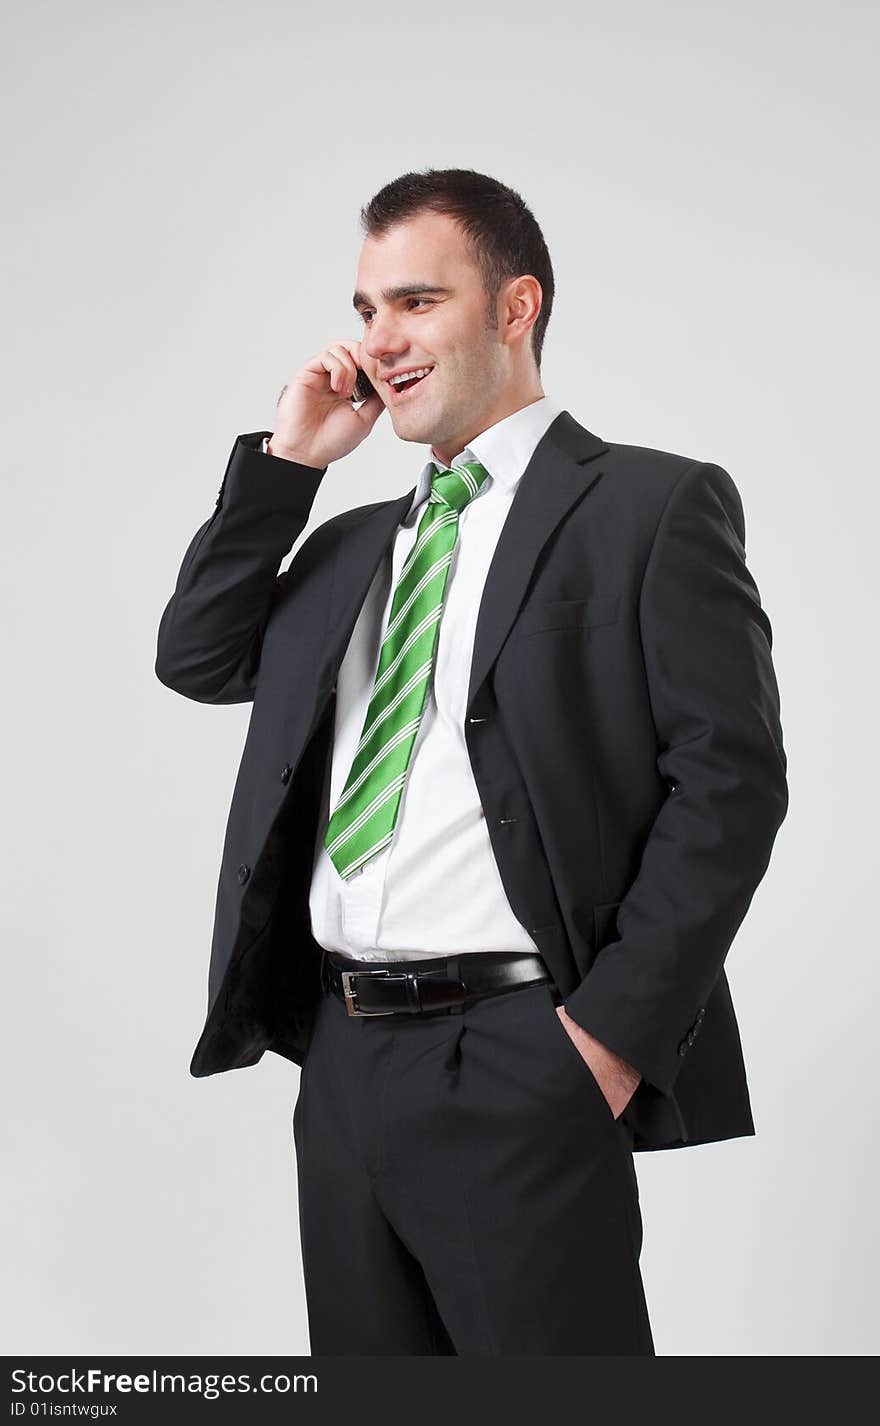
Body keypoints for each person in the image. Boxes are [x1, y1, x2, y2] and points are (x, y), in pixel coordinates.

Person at [155, 167, 788, 1356]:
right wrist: (291, 465)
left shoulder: (650, 508)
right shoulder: (350, 548)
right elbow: (196, 654)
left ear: (515, 307)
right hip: (341, 1063)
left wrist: (604, 1041)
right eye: (362, 310)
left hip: (520, 1049)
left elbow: (731, 788)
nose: (377, 341)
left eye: (413, 302)